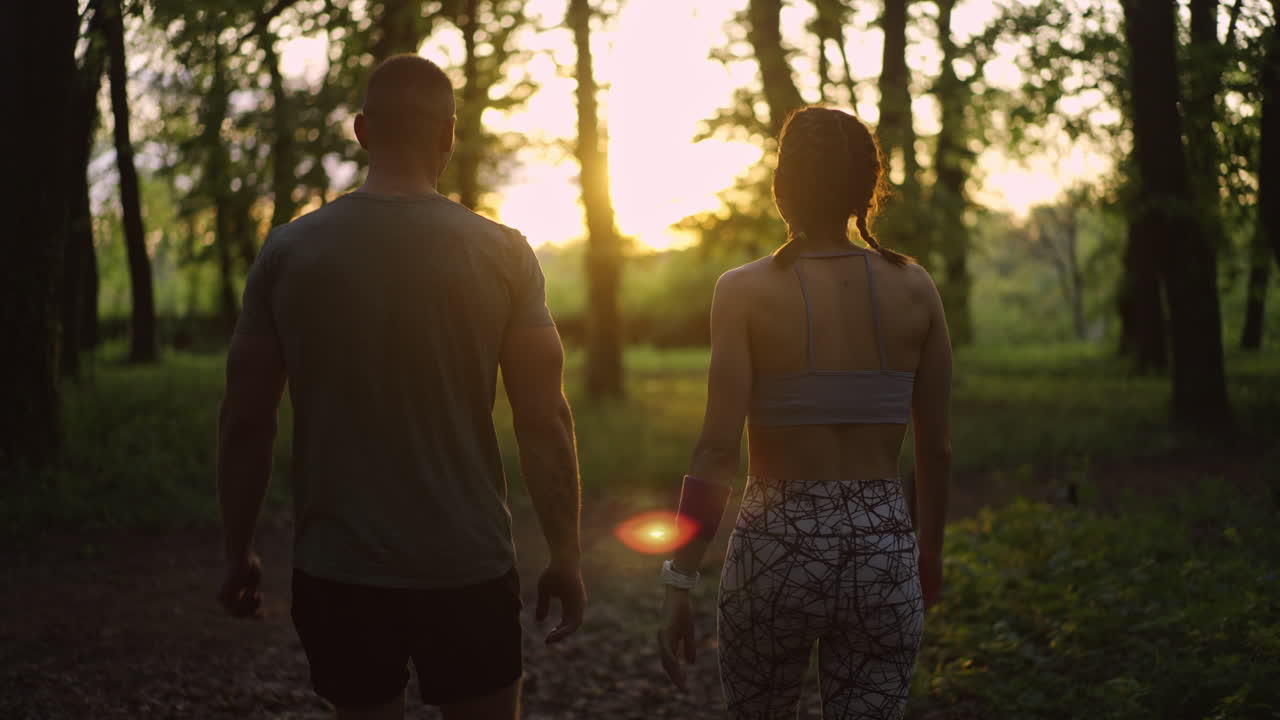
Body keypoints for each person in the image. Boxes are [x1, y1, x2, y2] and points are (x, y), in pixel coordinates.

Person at [215, 54, 586, 720]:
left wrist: (237, 550)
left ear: (361, 131)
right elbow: (544, 420)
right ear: (447, 135)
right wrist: (566, 553)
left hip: (338, 569)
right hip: (467, 565)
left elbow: (247, 420)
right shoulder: (503, 254)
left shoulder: (288, 253)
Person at [657, 106, 952, 719]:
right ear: (865, 188)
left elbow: (715, 449)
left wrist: (681, 577)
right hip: (883, 550)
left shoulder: (742, 291)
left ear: (783, 185)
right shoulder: (916, 287)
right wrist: (928, 556)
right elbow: (936, 448)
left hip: (775, 550)